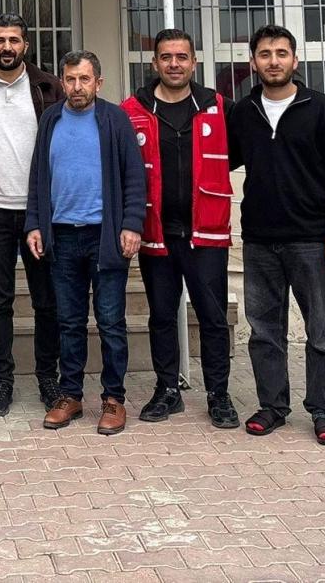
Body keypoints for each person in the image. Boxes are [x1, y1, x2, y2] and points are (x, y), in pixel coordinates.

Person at [230, 24, 325, 447]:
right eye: (265, 54)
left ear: (295, 60)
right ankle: (272, 406)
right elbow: (217, 161)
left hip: (311, 239)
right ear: (253, 62)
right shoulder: (242, 113)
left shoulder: (321, 110)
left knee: (320, 330)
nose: (273, 61)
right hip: (259, 240)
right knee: (264, 330)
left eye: (281, 53)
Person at [121, 29, 239, 429]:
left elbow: (239, 153)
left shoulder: (218, 107)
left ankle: (218, 395)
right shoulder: (132, 109)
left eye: (182, 57)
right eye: (166, 57)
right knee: (161, 316)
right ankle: (167, 389)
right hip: (156, 232)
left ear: (194, 62)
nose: (174, 64)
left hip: (206, 233)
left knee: (213, 317)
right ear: (154, 62)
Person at [25, 51, 145, 436]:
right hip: (62, 236)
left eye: (85, 79)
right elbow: (38, 177)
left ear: (98, 82)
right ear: (62, 81)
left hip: (104, 236)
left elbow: (134, 176)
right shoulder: (51, 119)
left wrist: (132, 224)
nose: (77, 87)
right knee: (69, 322)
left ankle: (113, 399)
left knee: (110, 321)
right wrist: (34, 224)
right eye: (71, 79)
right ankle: (70, 395)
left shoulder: (115, 119)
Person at [0, 14, 63, 416]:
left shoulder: (48, 87)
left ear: (26, 45)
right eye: (0, 40)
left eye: (14, 40)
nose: (7, 47)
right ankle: (2, 381)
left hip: (39, 210)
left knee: (46, 300)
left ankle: (48, 378)